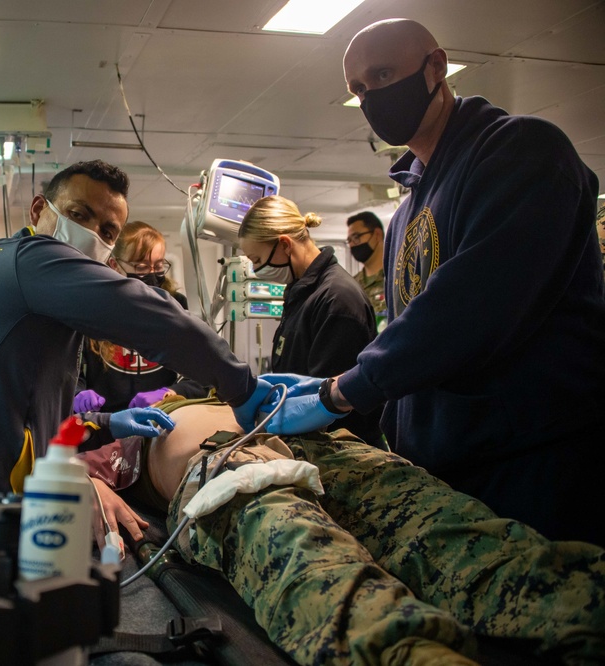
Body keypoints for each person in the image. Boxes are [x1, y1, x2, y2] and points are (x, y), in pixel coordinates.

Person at [254, 19, 605, 545]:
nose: (372, 96)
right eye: (358, 89)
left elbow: (466, 311)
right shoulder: (406, 211)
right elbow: (407, 332)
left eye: (383, 73)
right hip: (447, 474)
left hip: (535, 469)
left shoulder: (522, 151)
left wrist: (342, 391)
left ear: (436, 68)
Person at [80, 398, 605, 666]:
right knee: (311, 560)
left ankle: (586, 605)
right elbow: (46, 468)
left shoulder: (218, 388)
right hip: (228, 466)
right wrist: (89, 481)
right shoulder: (118, 432)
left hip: (331, 447)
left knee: (454, 535)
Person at [0, 160, 276, 493]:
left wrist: (108, 425)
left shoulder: (34, 295)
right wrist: (241, 385)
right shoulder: (29, 261)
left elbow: (47, 426)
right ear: (39, 209)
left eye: (107, 231)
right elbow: (153, 319)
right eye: (78, 215)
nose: (92, 234)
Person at [238, 196, 383, 447]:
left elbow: (328, 403)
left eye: (259, 260)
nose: (258, 269)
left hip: (339, 450)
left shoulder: (338, 300)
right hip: (305, 442)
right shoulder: (302, 292)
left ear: (285, 244)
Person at [74, 221, 210, 414]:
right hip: (106, 424)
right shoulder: (92, 310)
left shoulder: (177, 306)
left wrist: (168, 392)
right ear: (114, 265)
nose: (152, 274)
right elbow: (70, 373)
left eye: (159, 265)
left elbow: (202, 377)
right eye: (141, 267)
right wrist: (78, 394)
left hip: (161, 421)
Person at [345, 211, 387, 320]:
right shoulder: (352, 285)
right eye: (349, 240)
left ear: (377, 234)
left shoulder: (396, 278)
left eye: (356, 237)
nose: (352, 244)